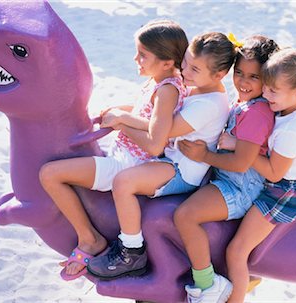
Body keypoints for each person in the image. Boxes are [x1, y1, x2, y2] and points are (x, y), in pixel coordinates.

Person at [39, 19, 188, 281]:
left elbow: (156, 142)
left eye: (143, 55)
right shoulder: (159, 81)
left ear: (167, 62)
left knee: (50, 174)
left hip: (129, 164)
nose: (136, 59)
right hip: (122, 153)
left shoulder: (167, 91)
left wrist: (121, 122)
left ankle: (89, 239)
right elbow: (147, 114)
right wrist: (117, 111)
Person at [86, 32, 237, 280]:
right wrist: (119, 110)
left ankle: (131, 251)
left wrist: (122, 120)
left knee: (123, 182)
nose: (185, 71)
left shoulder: (208, 104)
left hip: (182, 170)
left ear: (219, 76)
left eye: (195, 69)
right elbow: (156, 116)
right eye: (185, 63)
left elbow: (161, 129)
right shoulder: (197, 86)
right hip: (170, 156)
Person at [173, 34, 280, 302]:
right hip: (226, 179)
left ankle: (207, 285)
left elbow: (242, 162)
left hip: (239, 188)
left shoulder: (257, 113)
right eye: (239, 73)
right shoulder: (244, 101)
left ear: (267, 78)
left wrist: (204, 155)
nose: (243, 82)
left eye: (253, 77)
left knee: (185, 216)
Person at [225, 48, 296, 303]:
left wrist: (236, 144)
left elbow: (274, 170)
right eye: (266, 86)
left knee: (236, 250)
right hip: (293, 179)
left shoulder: (291, 132)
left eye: (273, 91)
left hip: (284, 191)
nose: (266, 94)